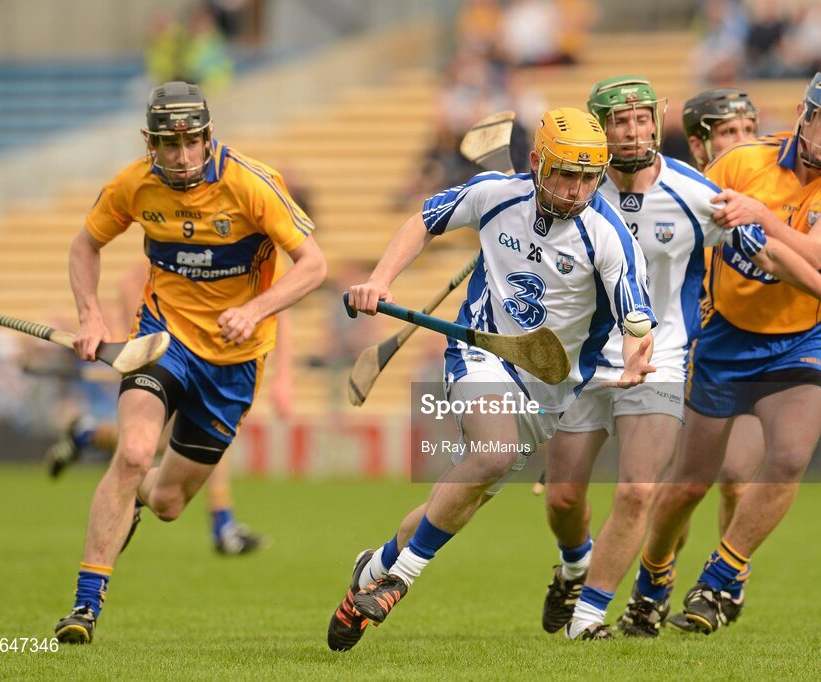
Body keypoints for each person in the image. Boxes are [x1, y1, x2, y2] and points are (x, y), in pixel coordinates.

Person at [538, 77, 821, 640]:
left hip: (680, 355)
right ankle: (580, 566)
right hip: (606, 360)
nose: (634, 130)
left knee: (661, 485)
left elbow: (782, 253)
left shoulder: (693, 190)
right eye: (620, 122)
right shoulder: (575, 191)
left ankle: (616, 609)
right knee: (576, 495)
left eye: (643, 119)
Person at [327, 106, 659, 652]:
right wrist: (380, 280)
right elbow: (424, 221)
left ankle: (378, 563)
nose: (576, 190)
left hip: (552, 386)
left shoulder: (609, 236)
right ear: (535, 164)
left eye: (587, 177)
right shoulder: (494, 194)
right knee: (493, 453)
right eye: (564, 174)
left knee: (468, 490)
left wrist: (633, 359)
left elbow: (637, 322)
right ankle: (398, 582)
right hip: (479, 350)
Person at [53, 81, 326, 644]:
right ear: (150, 143)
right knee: (132, 452)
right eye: (167, 144)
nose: (180, 157)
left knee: (170, 501)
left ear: (207, 137)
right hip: (162, 341)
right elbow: (85, 245)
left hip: (234, 363)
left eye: (191, 142)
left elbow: (313, 265)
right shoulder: (134, 184)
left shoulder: (251, 184)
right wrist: (89, 317)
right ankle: (85, 606)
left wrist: (255, 309)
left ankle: (133, 500)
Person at [632, 72, 821, 635]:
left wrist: (759, 214)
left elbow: (818, 252)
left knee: (790, 457)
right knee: (691, 483)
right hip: (725, 338)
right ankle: (651, 581)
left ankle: (722, 577)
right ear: (805, 113)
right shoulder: (741, 163)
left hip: (799, 341)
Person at [45, 261, 294, 555]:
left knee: (168, 442)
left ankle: (87, 434)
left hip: (215, 357)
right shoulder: (168, 255)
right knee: (176, 438)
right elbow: (131, 285)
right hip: (174, 358)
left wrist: (283, 377)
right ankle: (222, 524)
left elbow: (281, 314)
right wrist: (137, 347)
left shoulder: (261, 251)